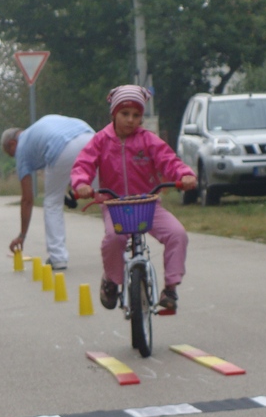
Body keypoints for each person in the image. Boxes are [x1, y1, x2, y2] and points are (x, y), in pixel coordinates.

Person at [71, 85, 197, 314]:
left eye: (136, 115)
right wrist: (81, 184)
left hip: (147, 204)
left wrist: (185, 175)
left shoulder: (149, 140)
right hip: (115, 205)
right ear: (114, 114)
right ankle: (111, 279)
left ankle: (170, 289)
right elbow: (83, 164)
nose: (130, 120)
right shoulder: (100, 140)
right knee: (113, 239)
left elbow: (169, 161)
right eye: (125, 114)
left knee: (177, 234)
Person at [1, 115, 96, 270]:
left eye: (10, 154)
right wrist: (72, 190)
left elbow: (27, 199)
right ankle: (122, 250)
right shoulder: (38, 130)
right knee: (105, 195)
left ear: (12, 144)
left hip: (62, 147)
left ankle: (58, 258)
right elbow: (68, 165)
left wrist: (22, 235)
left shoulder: (22, 148)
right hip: (91, 138)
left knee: (52, 203)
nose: (14, 158)